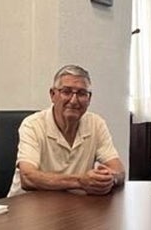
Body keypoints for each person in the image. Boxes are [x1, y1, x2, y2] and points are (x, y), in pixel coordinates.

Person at [11, 64, 125, 195]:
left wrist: (109, 179)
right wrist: (80, 181)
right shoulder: (32, 125)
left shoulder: (96, 124)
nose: (74, 100)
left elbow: (118, 169)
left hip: (72, 207)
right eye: (66, 92)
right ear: (53, 95)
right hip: (26, 207)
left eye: (82, 93)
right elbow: (28, 178)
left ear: (89, 99)